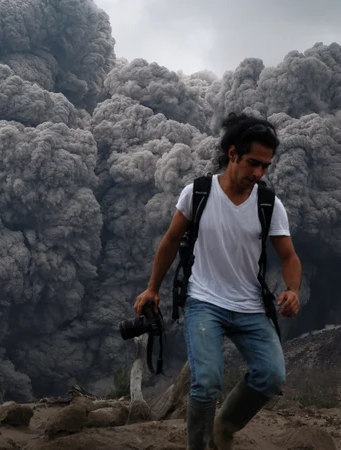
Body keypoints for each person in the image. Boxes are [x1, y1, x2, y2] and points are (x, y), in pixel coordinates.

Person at [134, 112, 302, 449]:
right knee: (207, 382)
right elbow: (169, 241)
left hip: (251, 306)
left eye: (265, 167)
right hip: (204, 301)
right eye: (253, 163)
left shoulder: (269, 204)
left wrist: (293, 290)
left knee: (271, 377)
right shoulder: (197, 193)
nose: (259, 173)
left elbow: (288, 256)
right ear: (232, 154)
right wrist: (152, 288)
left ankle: (225, 426)